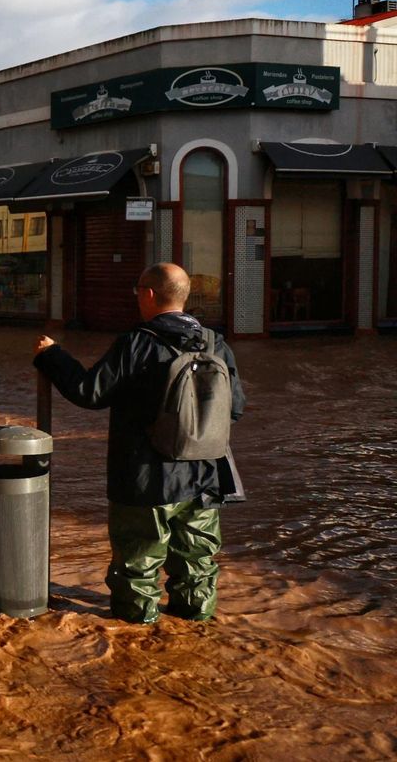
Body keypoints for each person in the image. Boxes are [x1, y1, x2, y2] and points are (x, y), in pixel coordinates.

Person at [33, 262, 244, 624]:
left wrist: (52, 355)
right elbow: (235, 408)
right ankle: (197, 630)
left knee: (137, 566)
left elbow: (89, 392)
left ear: (147, 294)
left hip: (146, 479)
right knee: (197, 564)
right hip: (205, 476)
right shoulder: (215, 343)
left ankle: (136, 636)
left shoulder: (138, 343)